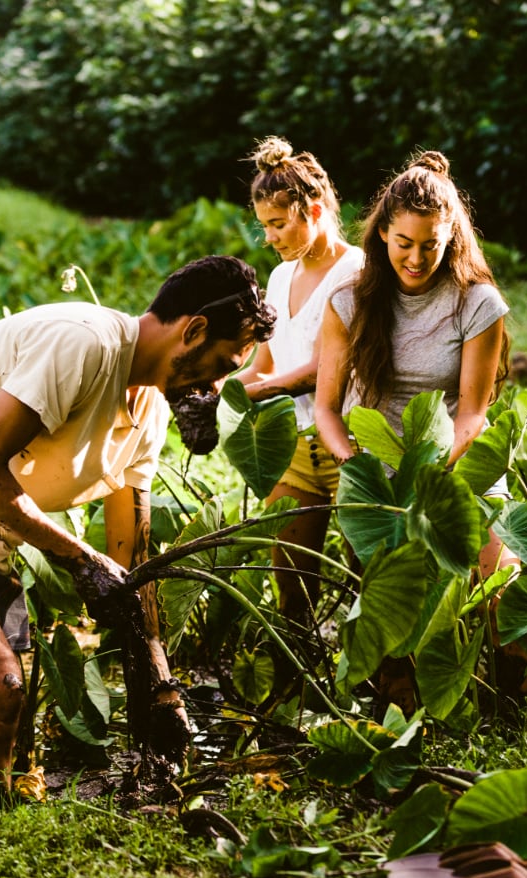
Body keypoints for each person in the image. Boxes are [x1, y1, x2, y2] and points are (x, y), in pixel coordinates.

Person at [0, 255, 276, 802]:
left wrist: (161, 685)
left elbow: (129, 564)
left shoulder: (150, 415)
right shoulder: (86, 343)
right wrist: (79, 558)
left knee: (5, 718)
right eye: (219, 366)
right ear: (192, 330)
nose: (213, 388)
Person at [315, 150, 520, 712]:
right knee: (393, 594)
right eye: (404, 242)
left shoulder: (477, 303)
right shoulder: (349, 301)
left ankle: (513, 698)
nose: (416, 257)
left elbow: (473, 413)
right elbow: (327, 409)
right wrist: (354, 464)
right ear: (382, 232)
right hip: (374, 466)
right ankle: (397, 693)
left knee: (498, 581)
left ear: (451, 236)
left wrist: (433, 473)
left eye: (431, 244)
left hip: (451, 456)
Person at [235, 137, 364, 626]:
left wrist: (247, 393)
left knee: (366, 582)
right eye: (264, 225)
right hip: (291, 444)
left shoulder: (355, 272)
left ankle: (379, 693)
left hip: (349, 443)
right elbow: (262, 364)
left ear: (312, 210)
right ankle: (298, 689)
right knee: (290, 582)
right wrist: (217, 388)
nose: (269, 237)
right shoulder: (280, 276)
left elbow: (321, 370)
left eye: (277, 224)